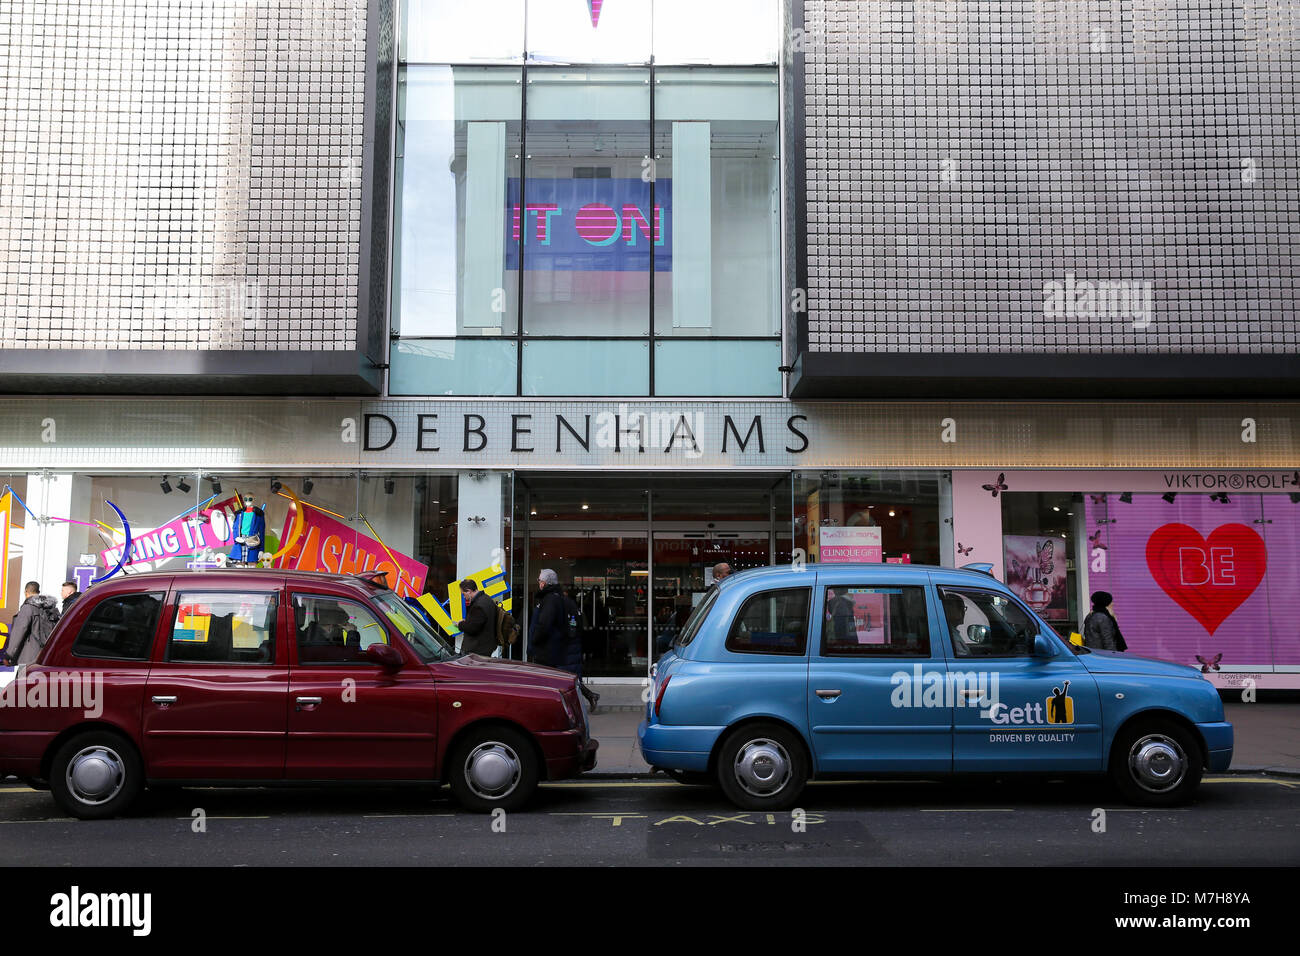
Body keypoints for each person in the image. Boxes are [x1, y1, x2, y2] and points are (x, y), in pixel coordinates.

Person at [529, 569, 599, 709]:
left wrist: (535, 640)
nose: (539, 584)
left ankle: (570, 705)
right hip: (567, 645)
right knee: (566, 677)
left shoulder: (553, 601)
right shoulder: (564, 601)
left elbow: (545, 625)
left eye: (540, 581)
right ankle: (587, 697)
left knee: (564, 678)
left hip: (561, 647)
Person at [3, 581, 61, 667]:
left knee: (22, 680)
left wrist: (9, 655)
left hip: (28, 657)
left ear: (26, 592)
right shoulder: (51, 608)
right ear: (39, 592)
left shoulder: (28, 608)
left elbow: (19, 631)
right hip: (46, 656)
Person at [456, 579, 499, 656]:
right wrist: (469, 621)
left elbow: (472, 628)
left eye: (463, 594)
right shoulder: (487, 599)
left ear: (469, 591)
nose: (463, 596)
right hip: (486, 646)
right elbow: (480, 622)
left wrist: (460, 624)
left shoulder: (479, 605)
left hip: (476, 649)